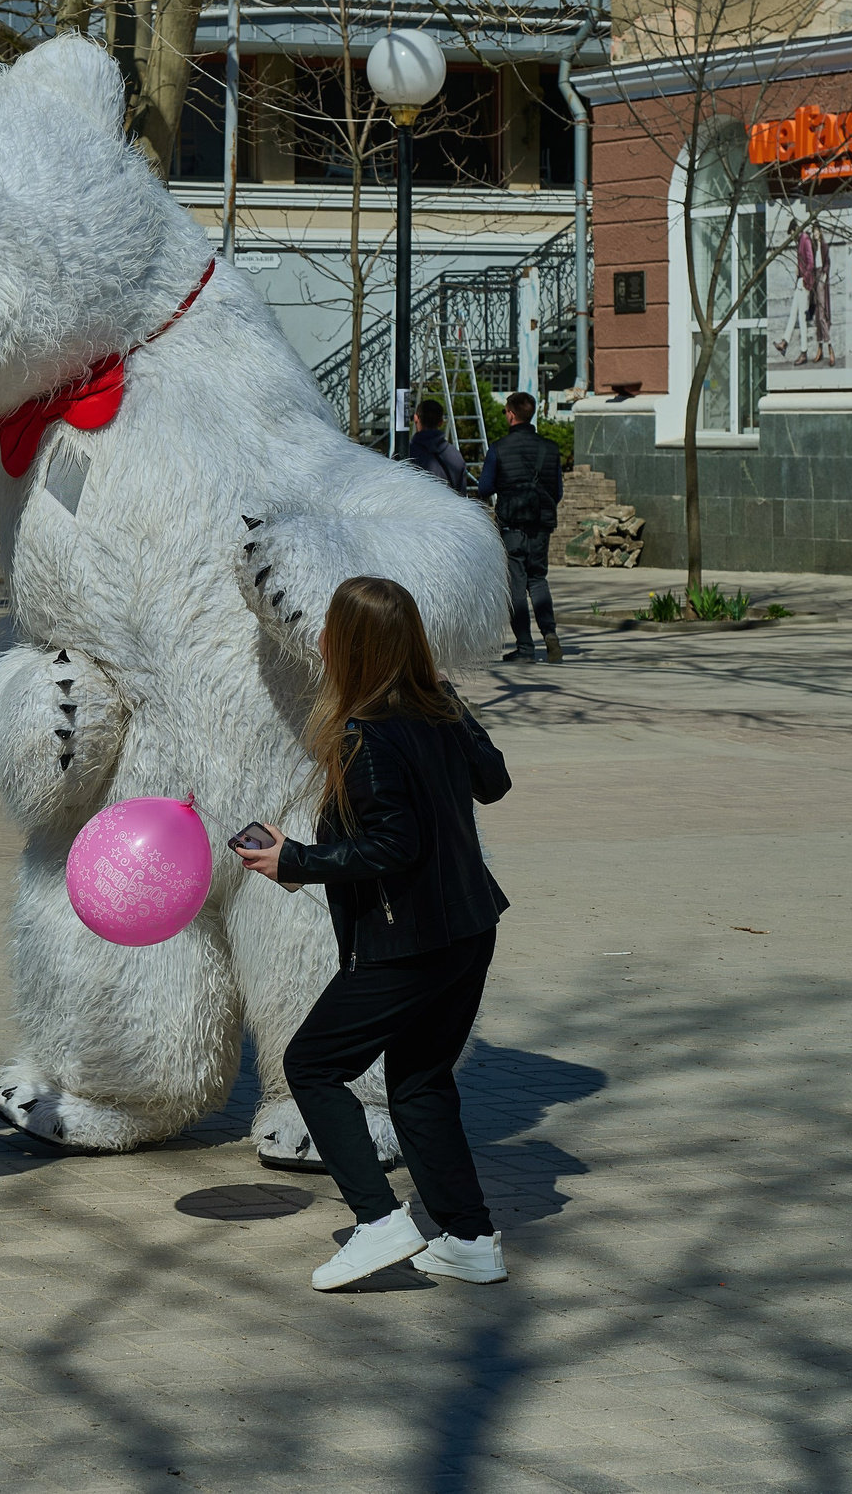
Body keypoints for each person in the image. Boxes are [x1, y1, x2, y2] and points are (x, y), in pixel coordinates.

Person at [235, 575, 513, 1292]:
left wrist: (293, 859)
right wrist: (453, 698)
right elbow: (493, 780)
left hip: (411, 941)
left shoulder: (366, 734)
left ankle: (378, 1218)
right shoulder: (435, 710)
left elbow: (397, 846)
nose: (319, 640)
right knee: (419, 1082)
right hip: (466, 928)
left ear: (348, 646)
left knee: (313, 1066)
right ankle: (469, 1236)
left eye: (329, 630)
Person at [477, 391, 563, 664]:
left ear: (511, 414)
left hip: (512, 525)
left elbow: (484, 488)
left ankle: (525, 647)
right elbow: (557, 490)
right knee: (538, 579)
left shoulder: (499, 448)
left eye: (505, 411)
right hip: (541, 523)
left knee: (516, 584)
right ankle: (550, 634)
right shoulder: (550, 449)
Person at [407, 398, 469, 496]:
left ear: (415, 418)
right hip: (449, 510)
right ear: (441, 422)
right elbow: (461, 496)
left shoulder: (405, 454)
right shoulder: (455, 456)